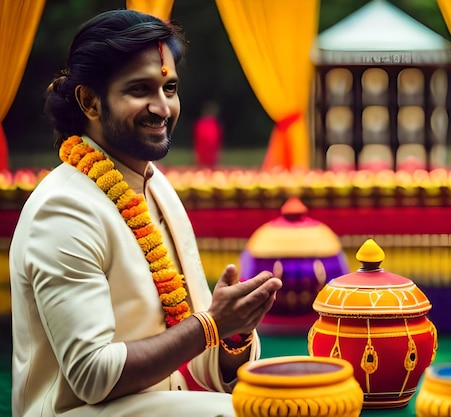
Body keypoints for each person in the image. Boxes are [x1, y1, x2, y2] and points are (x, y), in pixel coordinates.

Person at [9, 9, 282, 417]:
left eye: (169, 88)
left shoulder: (156, 187)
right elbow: (91, 377)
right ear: (89, 101)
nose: (162, 107)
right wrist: (210, 326)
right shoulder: (64, 210)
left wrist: (233, 336)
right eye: (140, 90)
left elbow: (196, 359)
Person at [193, 101, 223, 168]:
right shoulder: (201, 124)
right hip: (203, 151)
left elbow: (218, 140)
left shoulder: (215, 124)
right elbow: (197, 139)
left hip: (211, 152)